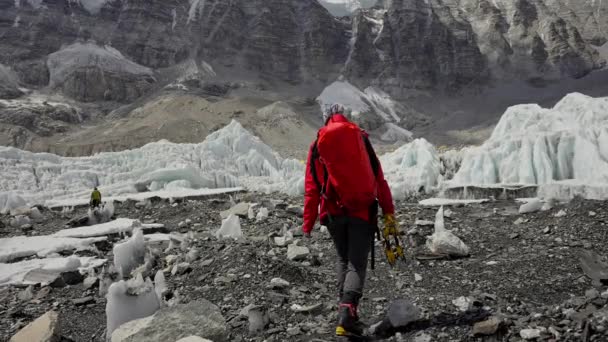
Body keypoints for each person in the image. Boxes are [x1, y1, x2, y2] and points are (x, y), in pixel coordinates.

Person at [302, 104, 398, 337]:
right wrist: (388, 212)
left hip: (333, 213)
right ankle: (347, 314)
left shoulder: (317, 145)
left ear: (325, 120)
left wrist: (308, 222)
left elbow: (311, 187)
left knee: (343, 260)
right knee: (357, 263)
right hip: (362, 212)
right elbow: (378, 178)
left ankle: (344, 315)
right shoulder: (360, 139)